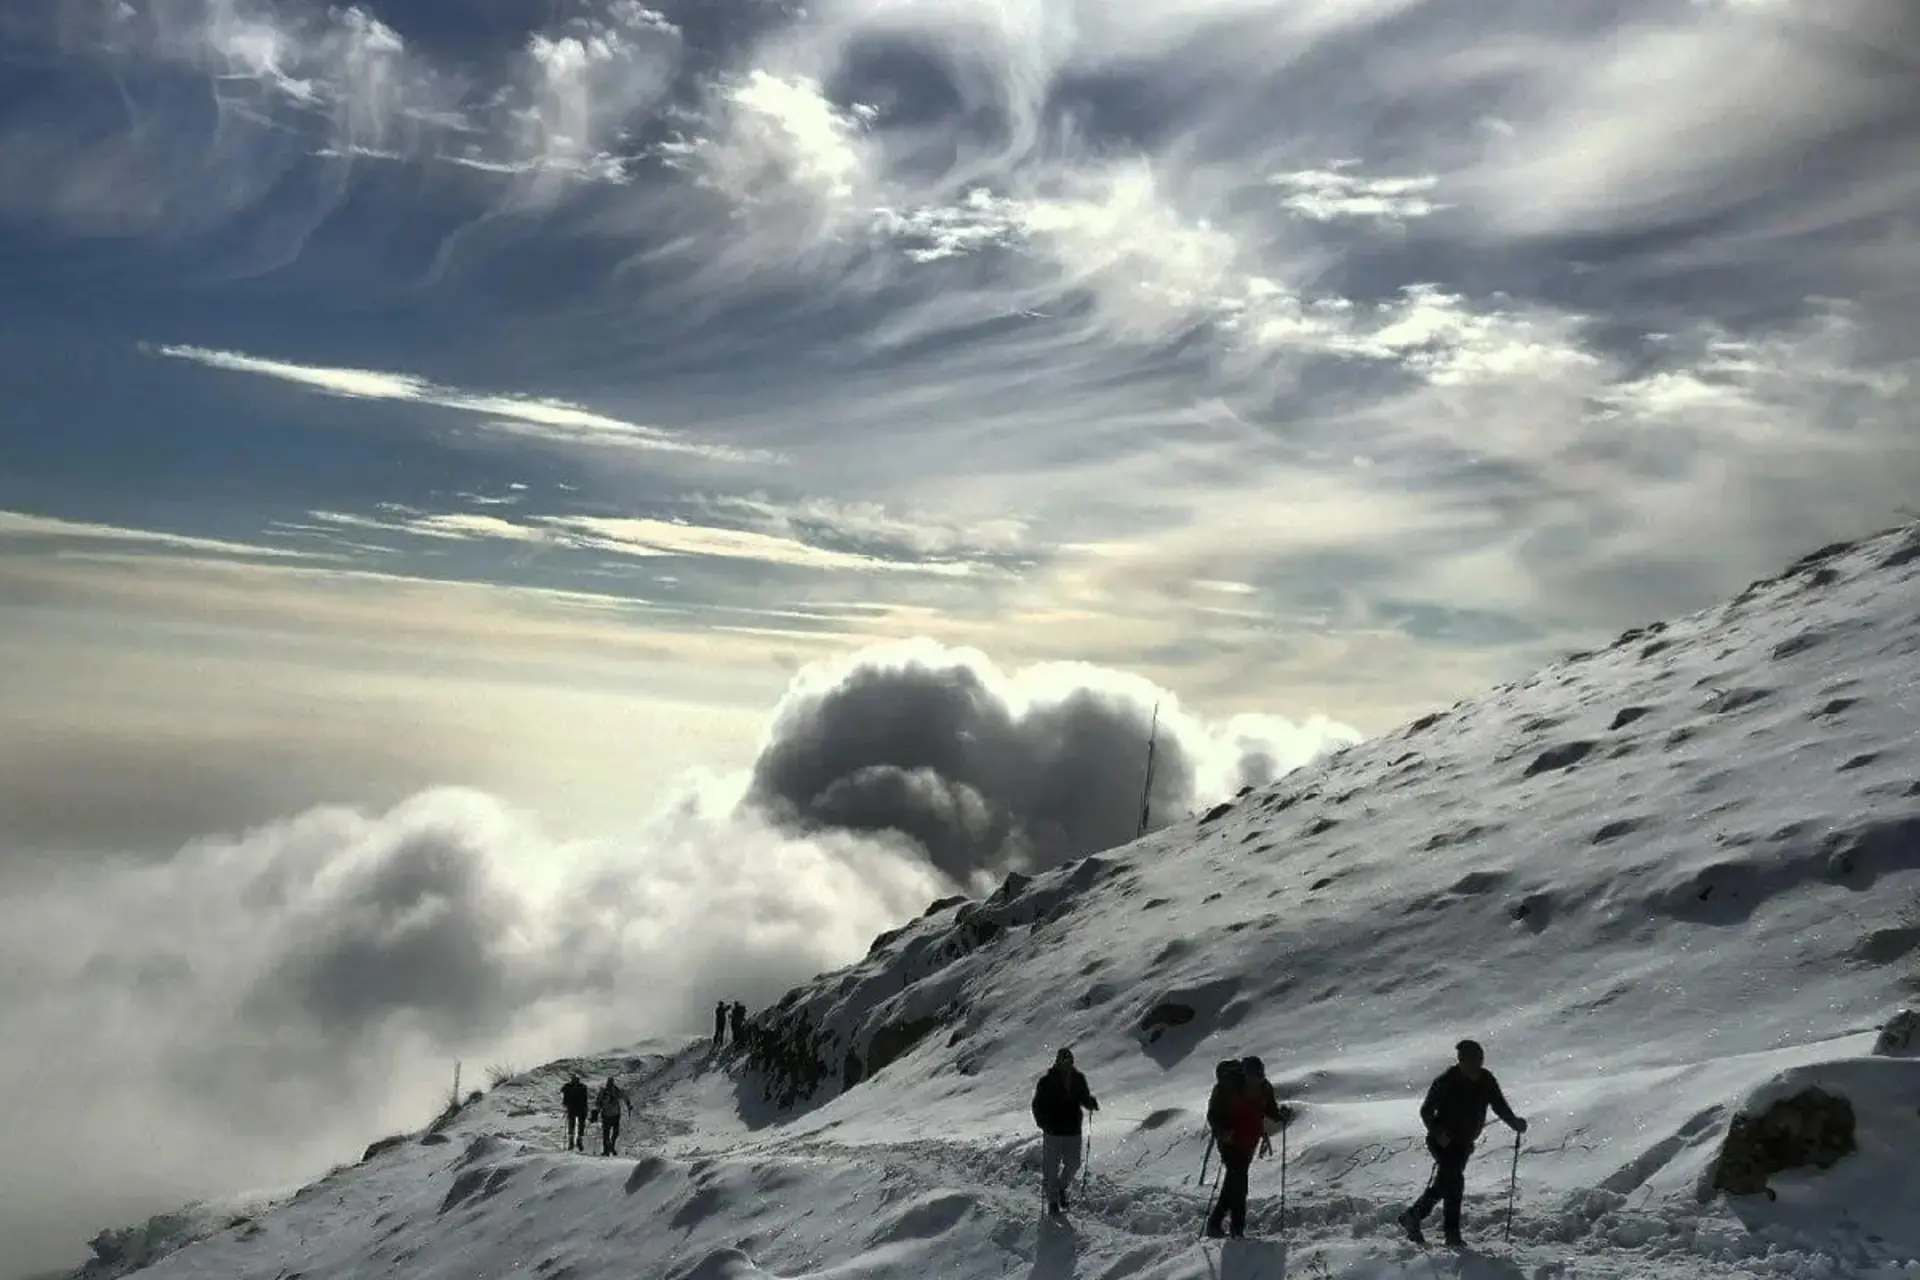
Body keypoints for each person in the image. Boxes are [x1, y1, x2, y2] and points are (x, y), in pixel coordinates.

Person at [1399, 1039, 1527, 1247]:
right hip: (1443, 1142)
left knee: (1443, 1185)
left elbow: (1499, 1106)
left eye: (1478, 1061)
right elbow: (1426, 1110)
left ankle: (1412, 1216)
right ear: (1461, 1061)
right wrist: (1437, 1131)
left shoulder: (1486, 1080)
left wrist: (1514, 1123)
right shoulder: (1446, 1081)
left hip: (1464, 1143)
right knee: (1455, 1183)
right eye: (1470, 1062)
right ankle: (1452, 1235)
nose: (1474, 1066)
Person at [1206, 1057, 1291, 1238]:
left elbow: (1269, 1109)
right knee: (1239, 1185)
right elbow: (1213, 1115)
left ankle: (1214, 1224)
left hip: (1249, 1143)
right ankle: (1237, 1230)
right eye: (1253, 1078)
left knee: (1232, 1185)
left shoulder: (1264, 1088)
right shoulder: (1229, 1090)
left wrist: (1280, 1116)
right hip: (1230, 1143)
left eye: (1259, 1077)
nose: (1257, 1081)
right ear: (1245, 1076)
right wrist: (1223, 1133)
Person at [1030, 1047, 1099, 1216]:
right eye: (1064, 1062)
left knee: (1074, 1163)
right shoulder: (1046, 1081)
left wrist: (1090, 1102)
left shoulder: (1078, 1079)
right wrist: (1043, 1123)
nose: (1068, 1065)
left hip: (1073, 1130)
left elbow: (1083, 1097)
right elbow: (1037, 1105)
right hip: (1053, 1132)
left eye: (1070, 1062)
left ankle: (1061, 1188)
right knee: (1050, 1168)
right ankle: (1053, 1201)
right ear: (1058, 1062)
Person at [561, 1073, 589, 1152]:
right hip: (576, 1108)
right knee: (576, 1125)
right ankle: (575, 1142)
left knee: (575, 1125)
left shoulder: (569, 1086)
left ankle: (574, 1142)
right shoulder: (582, 1087)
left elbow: (585, 1099)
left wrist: (565, 1103)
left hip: (576, 1108)